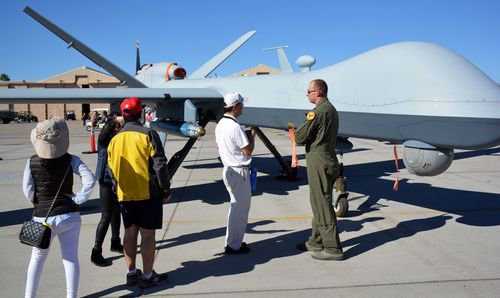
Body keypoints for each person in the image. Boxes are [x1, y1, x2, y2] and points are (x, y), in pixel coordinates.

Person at [22, 117, 95, 297]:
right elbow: (90, 180)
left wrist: (38, 202)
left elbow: (27, 189)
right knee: (70, 258)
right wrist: (78, 198)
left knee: (37, 260)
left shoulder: (31, 162)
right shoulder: (72, 160)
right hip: (69, 215)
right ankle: (71, 295)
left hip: (42, 218)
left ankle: (29, 296)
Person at [107, 97, 171, 288]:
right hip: (147, 193)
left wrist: (117, 187)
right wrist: (165, 188)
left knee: (129, 232)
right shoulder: (148, 134)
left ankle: (131, 273)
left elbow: (111, 169)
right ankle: (148, 276)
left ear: (123, 115)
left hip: (125, 194)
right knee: (148, 235)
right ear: (140, 113)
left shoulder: (115, 139)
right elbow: (160, 164)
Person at [294, 79, 344, 261]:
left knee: (322, 203)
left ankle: (332, 248)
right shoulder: (331, 109)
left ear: (318, 92)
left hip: (319, 160)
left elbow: (299, 138)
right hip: (328, 158)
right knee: (319, 201)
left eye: (309, 91)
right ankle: (316, 241)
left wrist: (295, 131)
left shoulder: (317, 112)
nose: (307, 94)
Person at [215, 92, 256, 254]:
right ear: (236, 107)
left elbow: (219, 147)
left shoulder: (220, 125)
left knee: (235, 208)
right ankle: (233, 245)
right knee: (240, 211)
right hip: (239, 171)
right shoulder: (235, 126)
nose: (243, 107)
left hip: (228, 170)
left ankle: (232, 242)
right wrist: (252, 136)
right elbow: (247, 150)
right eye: (241, 105)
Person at [91, 114, 125, 266]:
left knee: (116, 212)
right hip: (106, 181)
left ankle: (115, 242)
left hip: (114, 180)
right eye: (120, 123)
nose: (123, 126)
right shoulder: (106, 140)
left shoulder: (112, 137)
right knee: (106, 216)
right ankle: (96, 251)